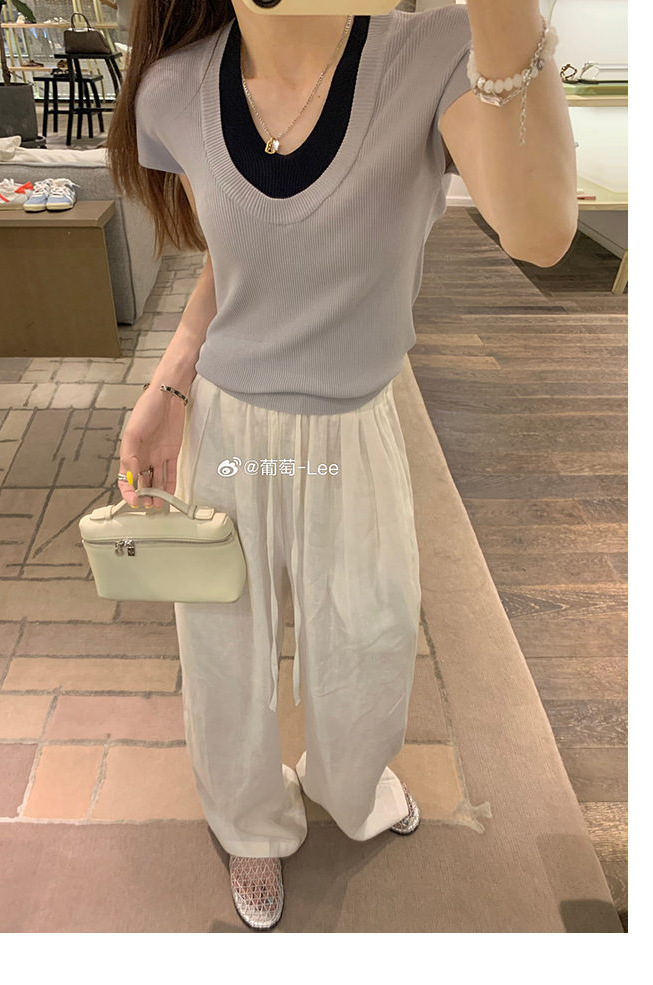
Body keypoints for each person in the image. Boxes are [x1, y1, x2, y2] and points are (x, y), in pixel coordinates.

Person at [106, 0, 577, 931]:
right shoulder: (176, 91)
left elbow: (541, 231)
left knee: (368, 638)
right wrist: (168, 385)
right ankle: (249, 822)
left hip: (355, 429)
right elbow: (237, 266)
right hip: (230, 430)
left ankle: (349, 782)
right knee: (223, 648)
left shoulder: (436, 50)